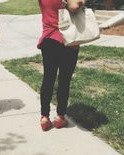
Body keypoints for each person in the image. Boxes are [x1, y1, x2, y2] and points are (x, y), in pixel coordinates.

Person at [38, 0, 85, 131]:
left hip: (48, 40)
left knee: (48, 79)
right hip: (67, 41)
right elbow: (74, 6)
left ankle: (44, 117)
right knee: (64, 80)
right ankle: (60, 117)